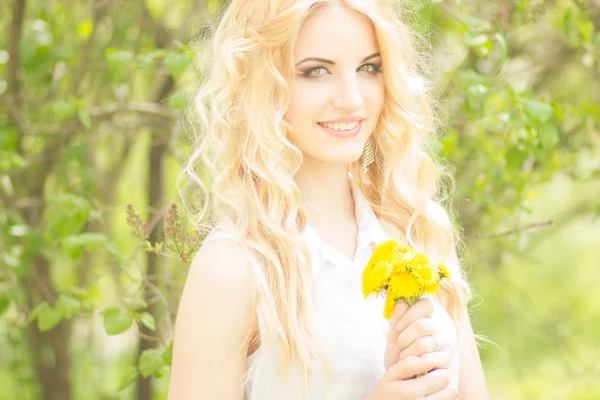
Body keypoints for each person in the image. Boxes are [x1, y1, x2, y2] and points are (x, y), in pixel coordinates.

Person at [168, 0, 490, 399]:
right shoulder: (234, 268)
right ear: (262, 82)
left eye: (369, 67)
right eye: (316, 71)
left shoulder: (420, 231)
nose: (351, 99)